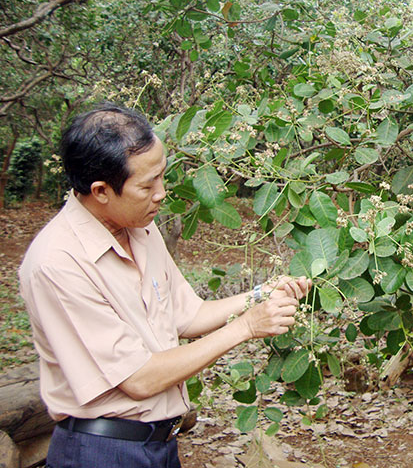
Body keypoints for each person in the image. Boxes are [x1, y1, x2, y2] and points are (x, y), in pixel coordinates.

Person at [18, 103, 311, 468]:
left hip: (158, 446)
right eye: (147, 184)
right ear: (101, 190)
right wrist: (247, 327)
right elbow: (139, 379)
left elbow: (188, 316)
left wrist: (261, 294)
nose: (162, 192)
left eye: (162, 175)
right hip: (101, 453)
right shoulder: (58, 263)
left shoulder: (140, 227)